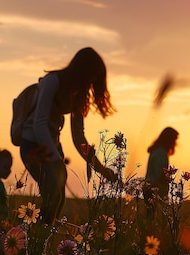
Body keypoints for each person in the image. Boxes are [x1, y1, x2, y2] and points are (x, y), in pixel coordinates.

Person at [19, 47, 117, 225]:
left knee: (57, 199)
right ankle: (33, 237)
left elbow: (78, 138)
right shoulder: (52, 81)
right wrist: (56, 160)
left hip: (52, 147)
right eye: (92, 76)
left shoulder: (79, 95)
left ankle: (39, 238)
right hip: (32, 145)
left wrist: (100, 168)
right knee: (52, 195)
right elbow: (39, 124)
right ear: (83, 71)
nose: (93, 82)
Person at [144, 127, 179, 211]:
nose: (175, 143)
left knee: (150, 218)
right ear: (169, 139)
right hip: (155, 192)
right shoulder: (161, 153)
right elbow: (160, 174)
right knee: (156, 219)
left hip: (149, 190)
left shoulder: (156, 151)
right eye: (174, 140)